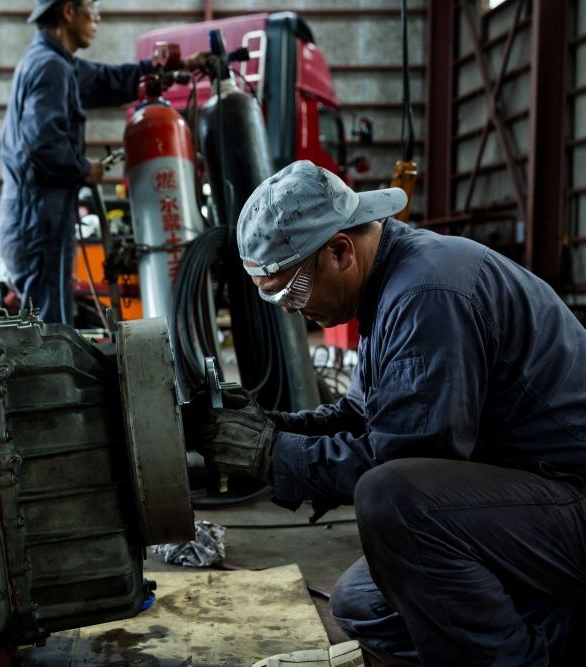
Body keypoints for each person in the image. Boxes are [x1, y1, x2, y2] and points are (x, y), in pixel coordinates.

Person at [198, 160, 586, 666]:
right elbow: (367, 412)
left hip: (570, 498)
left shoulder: (427, 293)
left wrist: (272, 456)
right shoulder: (392, 287)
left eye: (289, 291)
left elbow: (409, 457)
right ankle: (558, 631)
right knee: (362, 602)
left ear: (340, 251)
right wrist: (276, 426)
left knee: (395, 501)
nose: (290, 309)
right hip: (537, 497)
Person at [0, 0, 204, 324]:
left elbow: (107, 80)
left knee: (47, 321)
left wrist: (166, 69)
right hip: (38, 221)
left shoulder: (54, 63)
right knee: (47, 329)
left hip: (37, 219)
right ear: (68, 11)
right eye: (91, 9)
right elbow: (42, 143)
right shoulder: (50, 67)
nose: (97, 18)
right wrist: (84, 169)